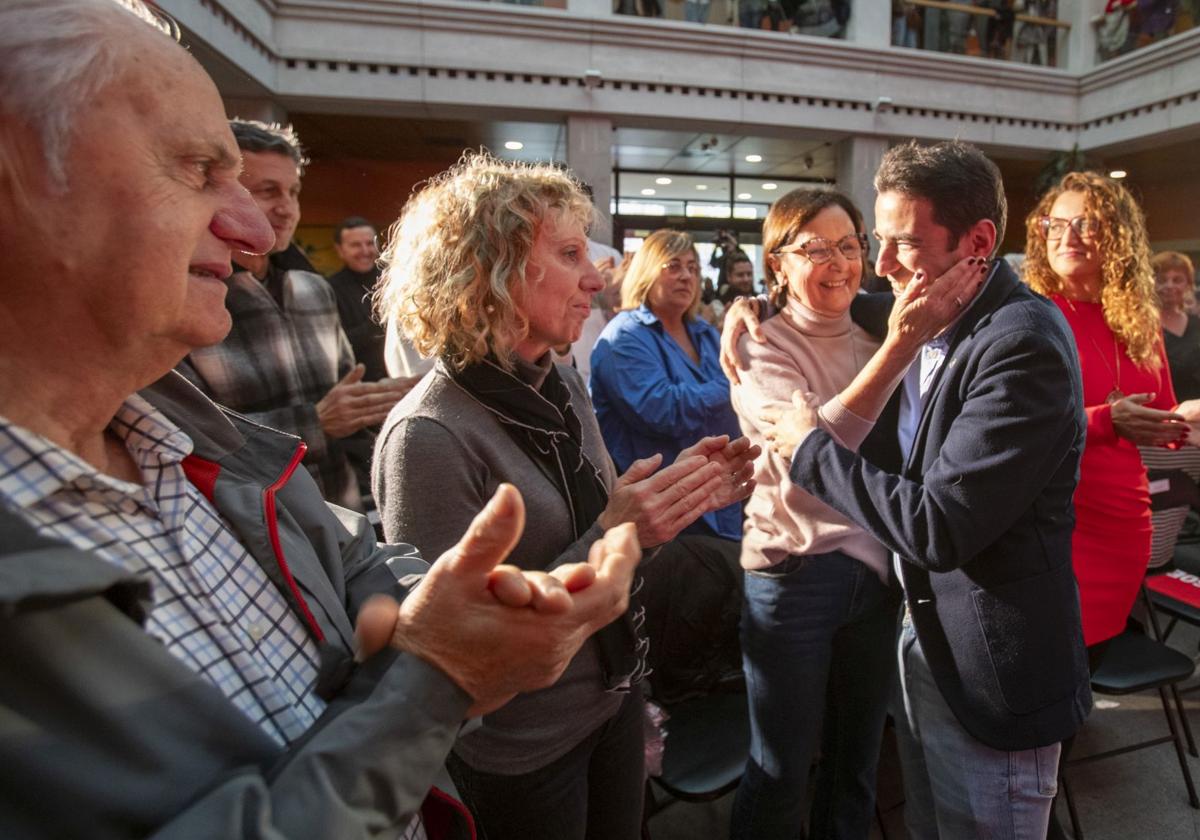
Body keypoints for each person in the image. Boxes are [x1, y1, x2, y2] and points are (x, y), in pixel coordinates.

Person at [0, 2, 645, 836]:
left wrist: (472, 619)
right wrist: (441, 670)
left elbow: (371, 569)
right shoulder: (426, 429)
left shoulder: (195, 442)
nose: (250, 230)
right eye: (197, 170)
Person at [372, 154, 758, 840]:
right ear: (487, 266)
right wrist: (620, 533)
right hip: (525, 750)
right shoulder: (428, 436)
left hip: (612, 701)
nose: (596, 276)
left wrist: (656, 510)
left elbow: (604, 535)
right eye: (571, 252)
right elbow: (455, 657)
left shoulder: (559, 380)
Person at [734, 140, 1093, 838]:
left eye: (902, 242)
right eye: (880, 240)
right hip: (926, 641)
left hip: (993, 667)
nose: (883, 265)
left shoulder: (1020, 343)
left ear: (978, 242)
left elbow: (940, 526)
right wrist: (752, 303)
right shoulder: (921, 305)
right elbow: (836, 296)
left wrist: (810, 443)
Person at [728, 188, 979, 839]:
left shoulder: (876, 323)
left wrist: (895, 337)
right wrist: (897, 348)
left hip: (876, 571)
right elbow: (818, 454)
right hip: (793, 577)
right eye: (816, 250)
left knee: (857, 763)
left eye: (849, 246)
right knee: (780, 770)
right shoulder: (759, 345)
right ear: (777, 262)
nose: (839, 264)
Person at [178, 121, 411, 512]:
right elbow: (185, 437)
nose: (286, 209)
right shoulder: (187, 298)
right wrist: (312, 424)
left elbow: (346, 404)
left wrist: (385, 406)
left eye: (293, 192)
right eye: (268, 191)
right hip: (251, 528)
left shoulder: (314, 290)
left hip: (341, 520)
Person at [590, 230, 744, 542]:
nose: (687, 276)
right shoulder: (624, 336)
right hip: (659, 520)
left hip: (720, 505)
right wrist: (731, 388)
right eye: (673, 266)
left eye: (693, 268)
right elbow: (662, 409)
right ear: (647, 271)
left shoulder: (705, 333)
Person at [328, 215, 394, 385]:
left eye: (370, 243)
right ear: (340, 250)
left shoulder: (396, 280)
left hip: (404, 378)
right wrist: (380, 321)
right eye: (356, 245)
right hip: (364, 385)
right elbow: (336, 346)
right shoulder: (329, 289)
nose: (365, 251)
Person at [1154, 251, 1200, 401]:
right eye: (1162, 280)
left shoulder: (1197, 324)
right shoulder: (1142, 328)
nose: (1169, 286)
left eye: (1177, 280)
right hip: (1161, 413)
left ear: (1188, 284)